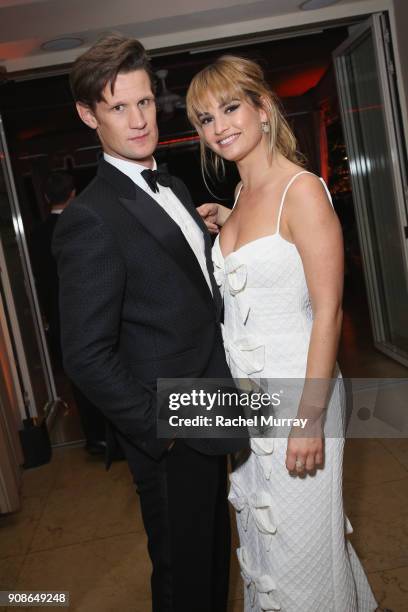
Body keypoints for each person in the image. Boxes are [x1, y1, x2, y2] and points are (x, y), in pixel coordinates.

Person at [52, 35, 247, 612]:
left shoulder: (178, 185)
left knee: (213, 567)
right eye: (118, 107)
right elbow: (85, 355)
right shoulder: (90, 218)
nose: (139, 121)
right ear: (89, 115)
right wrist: (166, 429)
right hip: (172, 429)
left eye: (143, 102)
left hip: (215, 405)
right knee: (184, 581)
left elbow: (185, 290)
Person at [187, 55, 379, 611]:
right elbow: (263, 264)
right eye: (204, 118)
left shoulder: (304, 190)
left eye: (230, 108)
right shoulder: (243, 198)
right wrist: (227, 224)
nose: (219, 126)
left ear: (263, 108)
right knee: (267, 544)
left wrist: (310, 418)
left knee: (304, 550)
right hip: (247, 404)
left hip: (300, 396)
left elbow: (330, 310)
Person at [29, 171, 106, 455]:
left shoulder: (36, 236)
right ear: (73, 193)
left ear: (47, 198)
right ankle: (112, 437)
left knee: (80, 378)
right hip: (95, 313)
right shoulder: (86, 223)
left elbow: (40, 282)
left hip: (61, 318)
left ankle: (94, 438)